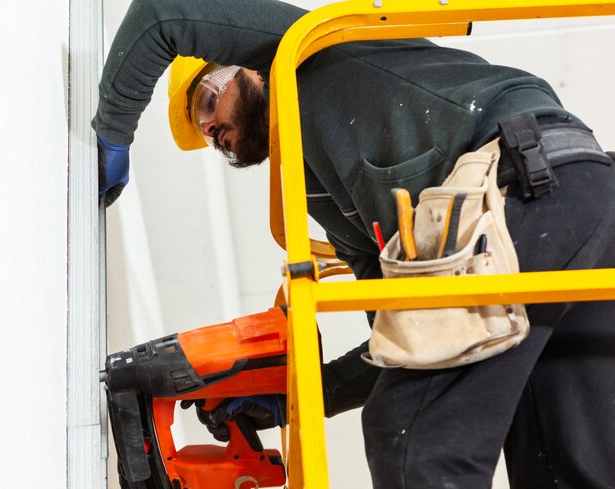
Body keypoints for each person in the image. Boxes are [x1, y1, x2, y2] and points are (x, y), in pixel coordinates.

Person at [93, 1, 615, 488]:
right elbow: (400, 340)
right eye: (207, 134)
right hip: (575, 214)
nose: (214, 129)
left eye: (208, 100)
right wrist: (304, 391)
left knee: (410, 435)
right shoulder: (329, 196)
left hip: (520, 182)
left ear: (245, 65)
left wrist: (111, 132)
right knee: (558, 458)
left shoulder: (313, 50)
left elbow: (161, 14)